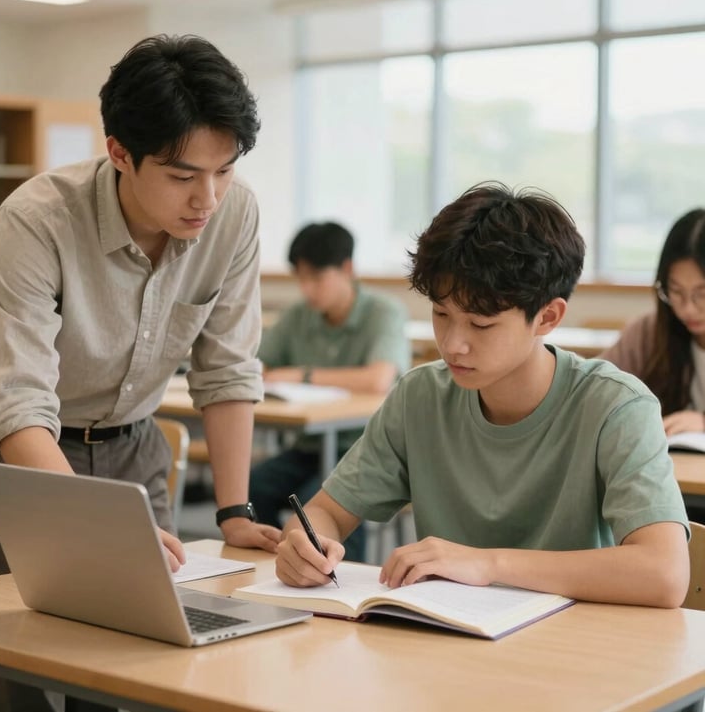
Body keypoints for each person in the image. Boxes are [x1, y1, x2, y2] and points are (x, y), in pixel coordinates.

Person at [0, 34, 281, 712]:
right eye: (183, 175)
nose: (209, 197)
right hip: (23, 459)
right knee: (19, 670)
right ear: (119, 154)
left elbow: (226, 369)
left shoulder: (235, 213)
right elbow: (17, 403)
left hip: (135, 448)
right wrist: (89, 526)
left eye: (224, 170)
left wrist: (233, 509)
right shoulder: (37, 220)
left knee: (138, 671)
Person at [275, 182, 689, 610]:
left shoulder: (615, 406)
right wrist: (306, 546)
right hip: (446, 643)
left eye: (481, 324)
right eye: (441, 314)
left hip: (571, 652)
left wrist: (488, 564)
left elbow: (664, 574)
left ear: (547, 316)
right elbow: (326, 512)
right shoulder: (420, 396)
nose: (453, 344)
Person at [250, 222, 411, 562]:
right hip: (309, 446)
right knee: (254, 487)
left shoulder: (383, 312)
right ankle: (268, 570)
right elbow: (257, 365)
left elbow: (378, 379)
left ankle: (342, 581)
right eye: (301, 279)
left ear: (347, 269)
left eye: (317, 278)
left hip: (362, 447)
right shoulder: (298, 316)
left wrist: (302, 375)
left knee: (322, 503)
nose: (307, 290)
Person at [600, 209, 705, 436]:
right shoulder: (649, 332)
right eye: (675, 291)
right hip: (670, 467)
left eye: (702, 294)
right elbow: (595, 390)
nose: (688, 308)